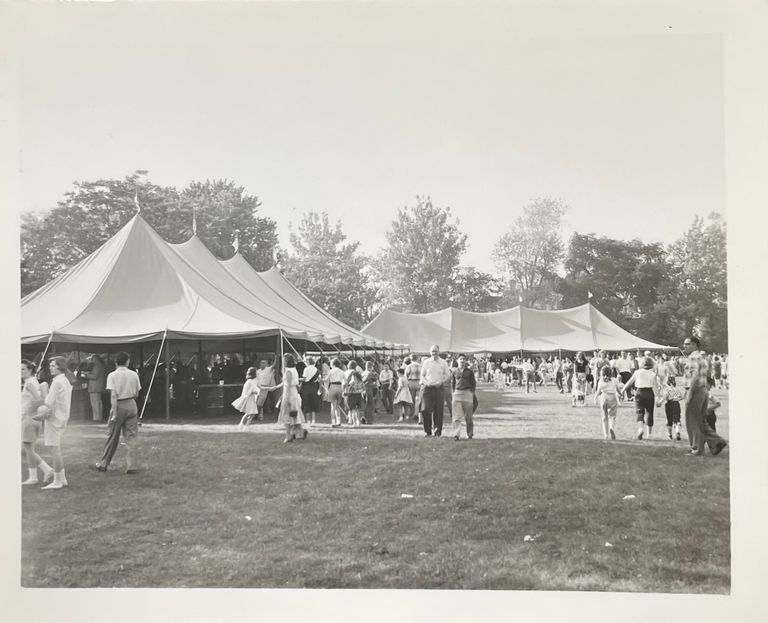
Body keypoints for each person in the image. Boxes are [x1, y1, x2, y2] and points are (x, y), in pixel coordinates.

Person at [682, 337, 726, 456]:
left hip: (695, 390)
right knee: (700, 420)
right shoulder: (703, 358)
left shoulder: (693, 357)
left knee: (692, 421)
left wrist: (690, 392)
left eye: (687, 344)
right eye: (684, 344)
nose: (684, 346)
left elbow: (695, 376)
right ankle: (716, 442)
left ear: (695, 345)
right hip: (703, 390)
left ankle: (697, 448)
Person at [34, 356, 72, 489]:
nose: (50, 368)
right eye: (50, 366)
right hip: (62, 417)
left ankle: (57, 481)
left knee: (55, 450)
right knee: (56, 449)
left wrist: (44, 390)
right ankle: (63, 479)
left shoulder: (57, 382)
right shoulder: (65, 380)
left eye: (54, 366)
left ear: (61, 367)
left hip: (54, 418)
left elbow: (48, 403)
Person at [21, 360, 54, 485]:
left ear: (30, 370)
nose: (21, 372)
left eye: (23, 369)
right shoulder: (33, 382)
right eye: (20, 369)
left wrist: (31, 411)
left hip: (30, 418)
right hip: (31, 418)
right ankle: (47, 469)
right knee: (24, 450)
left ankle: (34, 477)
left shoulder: (30, 384)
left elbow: (39, 400)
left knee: (28, 449)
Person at [268, 354, 308, 443]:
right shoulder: (294, 370)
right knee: (294, 415)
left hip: (289, 394)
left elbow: (289, 385)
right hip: (294, 393)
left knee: (286, 416)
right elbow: (294, 384)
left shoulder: (288, 371)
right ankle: (301, 431)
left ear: (286, 361)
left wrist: (287, 398)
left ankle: (288, 435)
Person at [623, 356, 662, 440]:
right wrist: (658, 397)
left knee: (639, 412)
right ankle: (649, 434)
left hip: (639, 392)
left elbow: (629, 383)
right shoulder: (653, 374)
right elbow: (655, 387)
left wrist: (622, 390)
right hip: (649, 393)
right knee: (649, 413)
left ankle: (640, 429)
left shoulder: (637, 372)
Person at [420, 345, 452, 437]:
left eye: (436, 351)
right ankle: (427, 431)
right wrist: (426, 383)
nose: (434, 353)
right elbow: (422, 375)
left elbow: (448, 375)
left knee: (438, 410)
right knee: (425, 409)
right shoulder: (426, 362)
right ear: (430, 352)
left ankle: (438, 431)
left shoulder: (443, 362)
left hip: (439, 388)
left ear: (439, 352)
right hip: (428, 388)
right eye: (432, 351)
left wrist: (441, 382)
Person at [450, 354, 477, 440]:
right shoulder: (454, 371)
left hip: (467, 393)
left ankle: (470, 434)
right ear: (457, 361)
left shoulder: (470, 372)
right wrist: (454, 392)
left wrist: (471, 392)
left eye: (463, 359)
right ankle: (456, 435)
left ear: (466, 361)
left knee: (468, 416)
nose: (462, 361)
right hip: (457, 393)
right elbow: (453, 383)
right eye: (460, 359)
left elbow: (473, 384)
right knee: (456, 416)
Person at [593, 365, 622, 440]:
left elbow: (598, 391)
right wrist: (621, 395)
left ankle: (606, 434)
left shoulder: (601, 381)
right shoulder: (615, 380)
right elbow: (618, 390)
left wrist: (595, 398)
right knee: (612, 416)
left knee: (604, 417)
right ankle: (611, 427)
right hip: (612, 397)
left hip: (604, 397)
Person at [656, 376, 684, 441]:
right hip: (676, 404)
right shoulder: (676, 389)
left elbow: (665, 396)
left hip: (669, 404)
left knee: (669, 420)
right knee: (677, 419)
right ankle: (678, 432)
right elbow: (682, 397)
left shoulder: (667, 389)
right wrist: (676, 399)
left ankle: (670, 435)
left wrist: (659, 402)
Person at [300, 356, 322, 426]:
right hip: (314, 387)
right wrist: (320, 389)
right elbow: (320, 380)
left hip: (306, 387)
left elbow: (304, 379)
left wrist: (298, 379)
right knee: (313, 404)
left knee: (307, 404)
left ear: (308, 361)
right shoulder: (317, 369)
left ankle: (308, 421)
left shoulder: (306, 369)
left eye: (306, 361)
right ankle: (313, 421)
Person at [85, 354, 106, 422]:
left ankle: (96, 418)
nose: (91, 360)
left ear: (96, 359)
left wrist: (87, 375)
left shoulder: (96, 366)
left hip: (94, 387)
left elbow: (94, 376)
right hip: (99, 386)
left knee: (95, 403)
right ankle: (99, 417)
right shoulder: (102, 366)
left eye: (92, 359)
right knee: (98, 402)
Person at [326, 358, 346, 427]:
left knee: (332, 406)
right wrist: (344, 390)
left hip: (332, 386)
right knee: (337, 406)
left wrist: (320, 379)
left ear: (333, 364)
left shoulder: (331, 371)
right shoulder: (342, 372)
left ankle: (333, 422)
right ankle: (339, 421)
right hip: (339, 387)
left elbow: (326, 379)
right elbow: (345, 382)